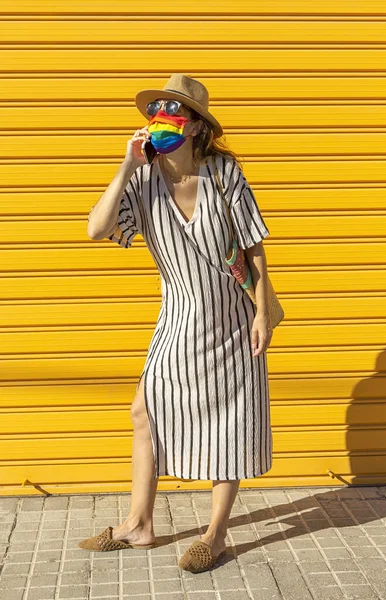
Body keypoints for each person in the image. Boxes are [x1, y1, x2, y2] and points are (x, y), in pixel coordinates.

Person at [81, 74, 273, 573]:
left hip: (233, 317)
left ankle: (216, 533)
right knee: (144, 410)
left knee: (232, 422)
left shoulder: (223, 172)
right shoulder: (143, 181)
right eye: (156, 111)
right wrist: (127, 164)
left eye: (173, 112)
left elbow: (253, 243)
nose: (161, 119)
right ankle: (139, 525)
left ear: (193, 127)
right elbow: (96, 229)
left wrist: (262, 311)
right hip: (178, 316)